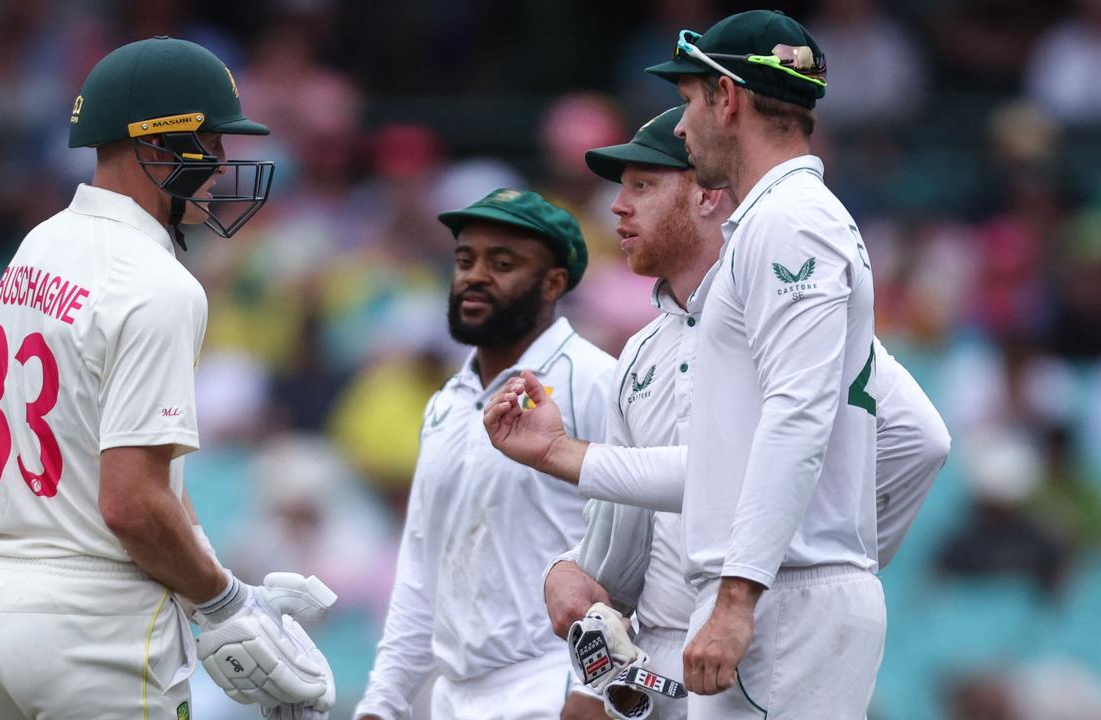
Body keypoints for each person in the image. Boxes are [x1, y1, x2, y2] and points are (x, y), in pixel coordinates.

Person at [484, 105, 951, 720]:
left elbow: (917, 441)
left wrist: (807, 552)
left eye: (642, 186)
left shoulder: (792, 307)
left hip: (751, 625)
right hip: (661, 656)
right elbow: (622, 539)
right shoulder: (640, 355)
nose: (617, 207)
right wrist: (571, 574)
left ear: (708, 195)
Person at [0, 37, 336, 720]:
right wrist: (225, 603)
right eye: (209, 148)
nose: (220, 171)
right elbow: (130, 501)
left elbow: (130, 472)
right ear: (158, 147)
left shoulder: (38, 244)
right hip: (91, 629)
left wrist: (218, 582)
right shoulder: (159, 284)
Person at [654, 9, 886, 717]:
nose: (679, 126)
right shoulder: (788, 218)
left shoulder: (790, 222)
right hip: (788, 589)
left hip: (778, 599)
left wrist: (738, 596)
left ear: (728, 98)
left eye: (691, 100)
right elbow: (921, 435)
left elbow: (799, 412)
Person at [354, 189, 615, 720]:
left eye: (503, 263)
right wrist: (381, 703)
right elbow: (421, 570)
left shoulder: (597, 382)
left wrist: (595, 689)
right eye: (465, 260)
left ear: (554, 283)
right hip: (455, 697)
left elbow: (643, 548)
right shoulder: (447, 403)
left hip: (553, 684)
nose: (475, 276)